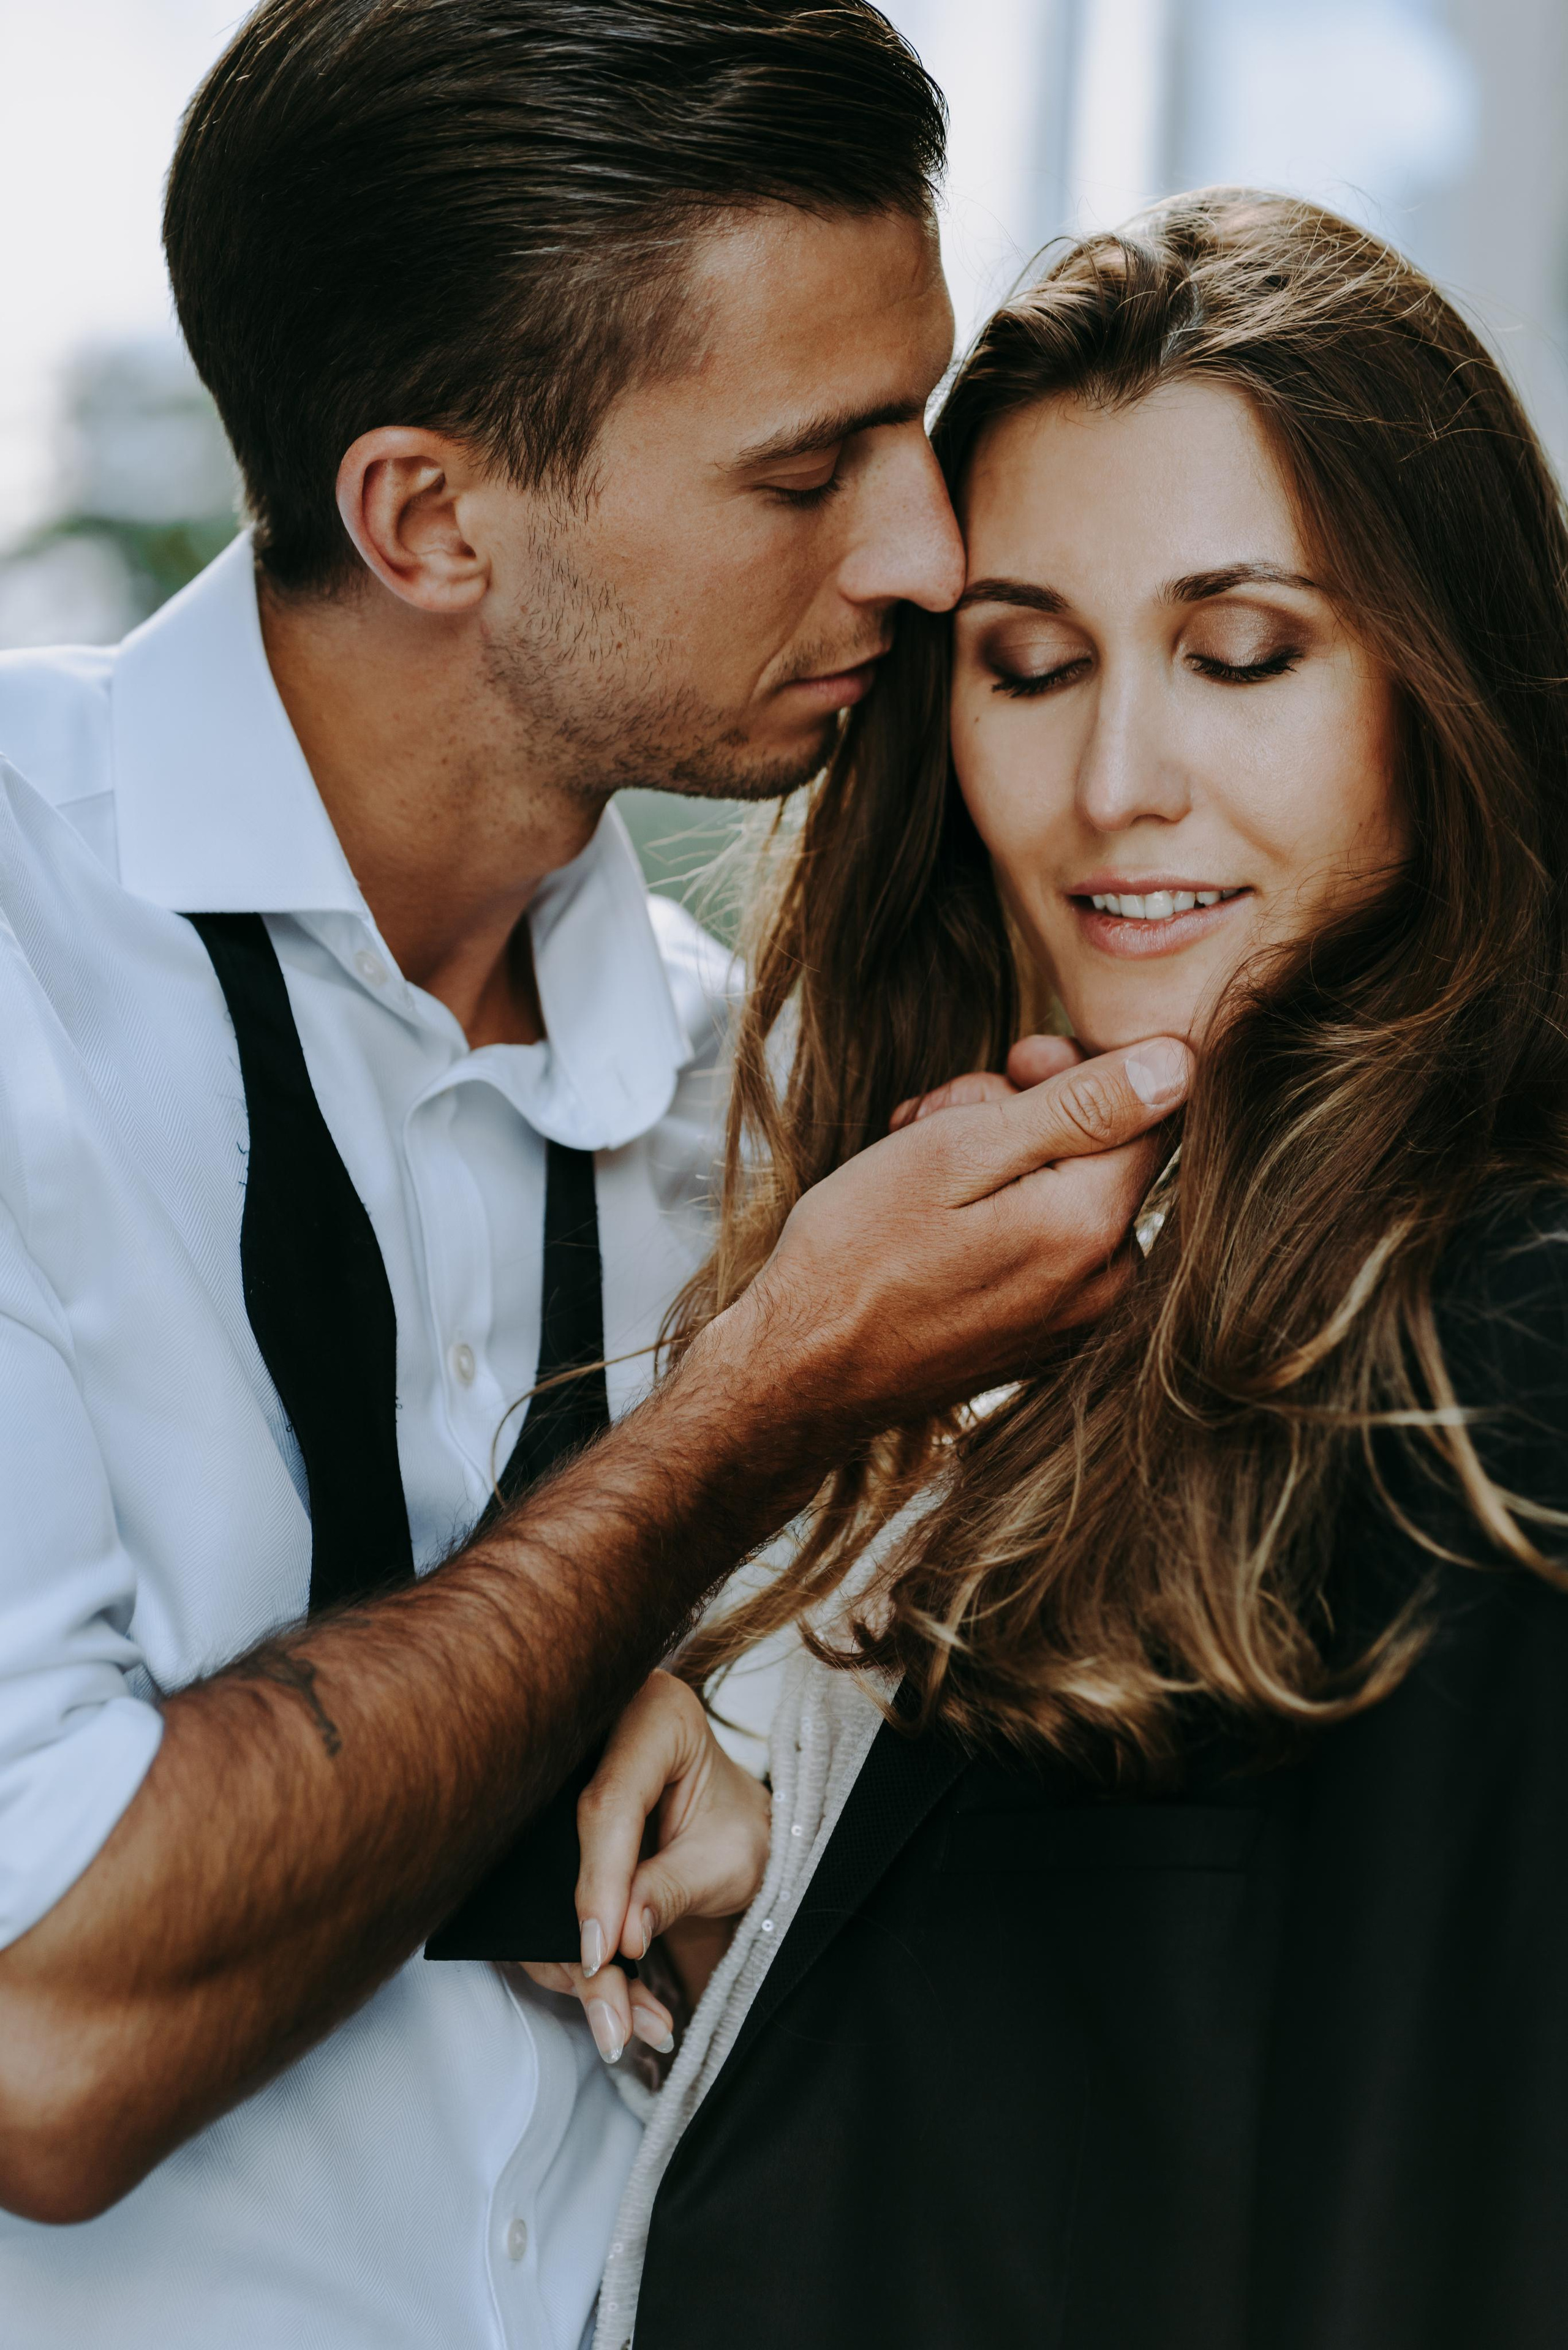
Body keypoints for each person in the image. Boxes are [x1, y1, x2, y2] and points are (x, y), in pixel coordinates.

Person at [0, 7, 1193, 2347]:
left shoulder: (756, 1102)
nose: (929, 553)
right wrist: (754, 1404)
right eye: (808, 471)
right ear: (427, 517)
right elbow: (46, 2045)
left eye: (918, 431)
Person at [554, 191, 1568, 2350]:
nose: (1118, 784)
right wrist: (794, 1852)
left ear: (1442, 683)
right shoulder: (971, 1275)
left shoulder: (1509, 1341)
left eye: (1241, 655)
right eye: (1029, 665)